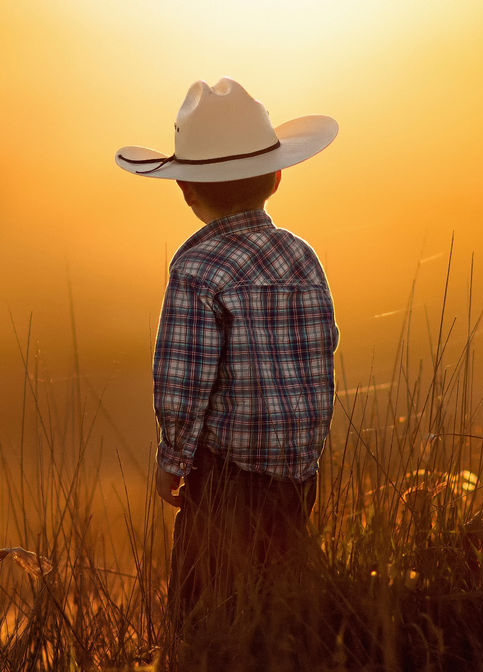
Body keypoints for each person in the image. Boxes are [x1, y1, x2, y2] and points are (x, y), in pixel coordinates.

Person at [114, 78, 339, 628]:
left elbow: (181, 383)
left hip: (225, 479)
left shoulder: (197, 268)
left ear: (187, 189)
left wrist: (173, 460)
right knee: (280, 601)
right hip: (297, 475)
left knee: (203, 609)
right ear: (279, 176)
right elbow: (322, 348)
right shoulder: (301, 257)